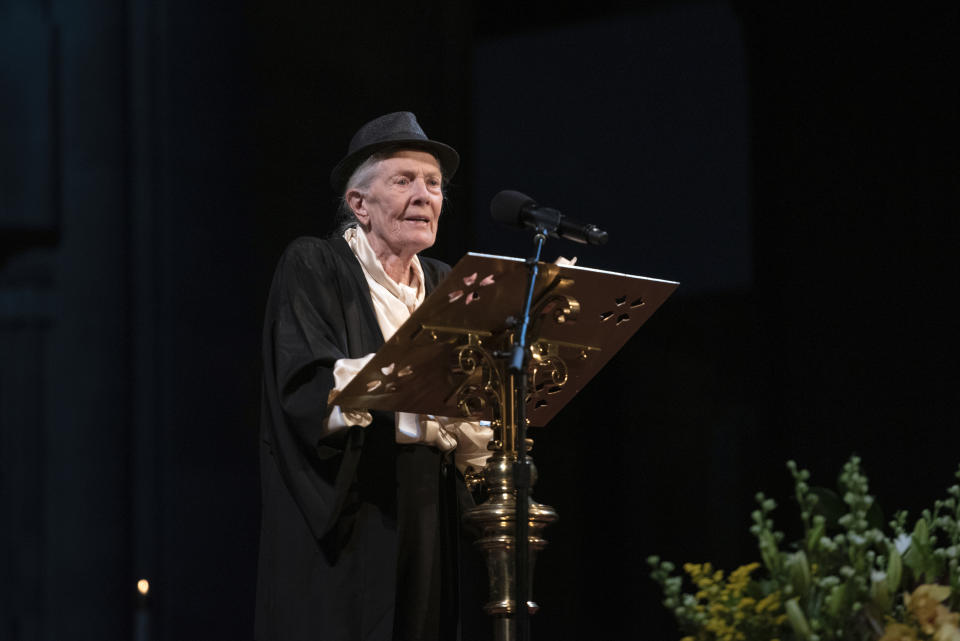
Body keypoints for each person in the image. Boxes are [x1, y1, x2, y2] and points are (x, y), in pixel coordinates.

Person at [256, 112, 492, 641]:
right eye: (403, 181)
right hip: (352, 513)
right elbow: (307, 386)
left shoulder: (443, 282)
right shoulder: (317, 264)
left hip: (427, 507)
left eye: (433, 185)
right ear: (358, 204)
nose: (424, 196)